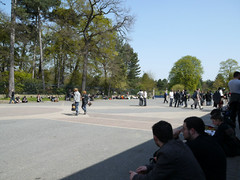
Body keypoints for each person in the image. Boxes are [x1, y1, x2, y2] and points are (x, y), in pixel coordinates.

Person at [129, 121, 206, 180]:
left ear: (155, 138)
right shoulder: (178, 143)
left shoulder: (167, 152)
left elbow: (153, 178)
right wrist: (148, 167)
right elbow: (164, 166)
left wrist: (135, 176)